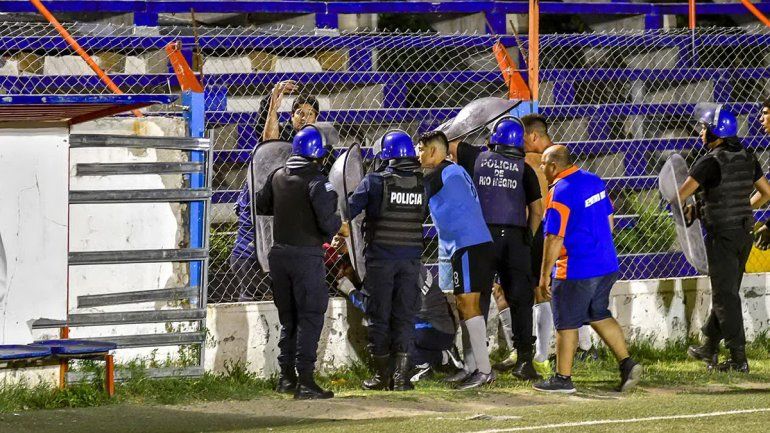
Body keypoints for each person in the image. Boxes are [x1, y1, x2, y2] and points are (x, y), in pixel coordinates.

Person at [533, 145, 642, 394]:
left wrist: (544, 276)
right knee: (598, 313)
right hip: (605, 263)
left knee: (566, 323)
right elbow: (609, 219)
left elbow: (554, 238)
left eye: (543, 164)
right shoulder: (594, 180)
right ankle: (627, 363)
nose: (541, 168)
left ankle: (563, 378)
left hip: (576, 268)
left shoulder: (559, 192)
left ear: (553, 166)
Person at [448, 117, 544, 381]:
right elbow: (537, 211)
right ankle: (525, 360)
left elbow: (451, 144)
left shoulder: (476, 157)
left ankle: (476, 363)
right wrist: (527, 236)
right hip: (515, 237)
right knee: (521, 300)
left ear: (492, 138)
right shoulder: (525, 169)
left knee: (475, 299)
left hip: (482, 236)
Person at [678, 104, 770, 373]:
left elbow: (679, 194)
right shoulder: (747, 155)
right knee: (728, 291)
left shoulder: (710, 160)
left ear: (716, 131)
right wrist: (740, 207)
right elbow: (765, 193)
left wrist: (692, 208)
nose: (701, 132)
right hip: (744, 233)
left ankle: (737, 358)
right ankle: (709, 345)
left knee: (724, 296)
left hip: (722, 235)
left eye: (705, 127)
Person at [253, 124, 342, 400]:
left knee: (289, 319)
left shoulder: (277, 175)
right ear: (317, 153)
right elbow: (328, 223)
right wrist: (337, 222)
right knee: (310, 317)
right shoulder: (318, 181)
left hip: (279, 257)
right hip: (306, 256)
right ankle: (305, 381)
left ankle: (286, 378)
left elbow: (262, 204)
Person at [345, 130, 427, 391]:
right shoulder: (422, 183)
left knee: (378, 318)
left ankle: (382, 377)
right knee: (404, 317)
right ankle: (402, 379)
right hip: (411, 261)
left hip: (381, 261)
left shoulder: (374, 181)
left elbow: (348, 209)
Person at [417, 130, 496, 390]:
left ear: (433, 151)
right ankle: (472, 366)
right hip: (471, 244)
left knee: (468, 304)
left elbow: (418, 201)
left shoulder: (441, 173)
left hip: (468, 244)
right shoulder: (454, 171)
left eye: (421, 149)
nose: (418, 155)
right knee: (466, 306)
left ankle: (484, 370)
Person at [230, 82, 321, 300]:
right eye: (299, 112)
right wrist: (272, 105)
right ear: (291, 116)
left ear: (316, 118)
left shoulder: (320, 146)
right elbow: (268, 142)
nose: (304, 117)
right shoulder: (283, 137)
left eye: (310, 114)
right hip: (267, 213)